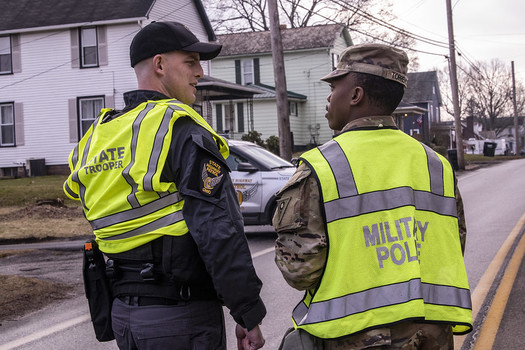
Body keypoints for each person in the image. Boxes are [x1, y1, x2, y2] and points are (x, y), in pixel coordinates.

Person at [64, 21, 266, 350]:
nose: (200, 72)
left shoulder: (97, 138)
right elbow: (218, 229)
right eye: (190, 62)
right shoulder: (179, 128)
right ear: (160, 65)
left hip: (124, 318)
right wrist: (247, 313)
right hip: (181, 319)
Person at [272, 43, 472, 349]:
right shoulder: (437, 166)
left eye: (335, 85)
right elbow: (453, 244)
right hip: (430, 335)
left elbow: (298, 269)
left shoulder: (321, 166)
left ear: (355, 96)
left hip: (354, 337)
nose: (328, 96)